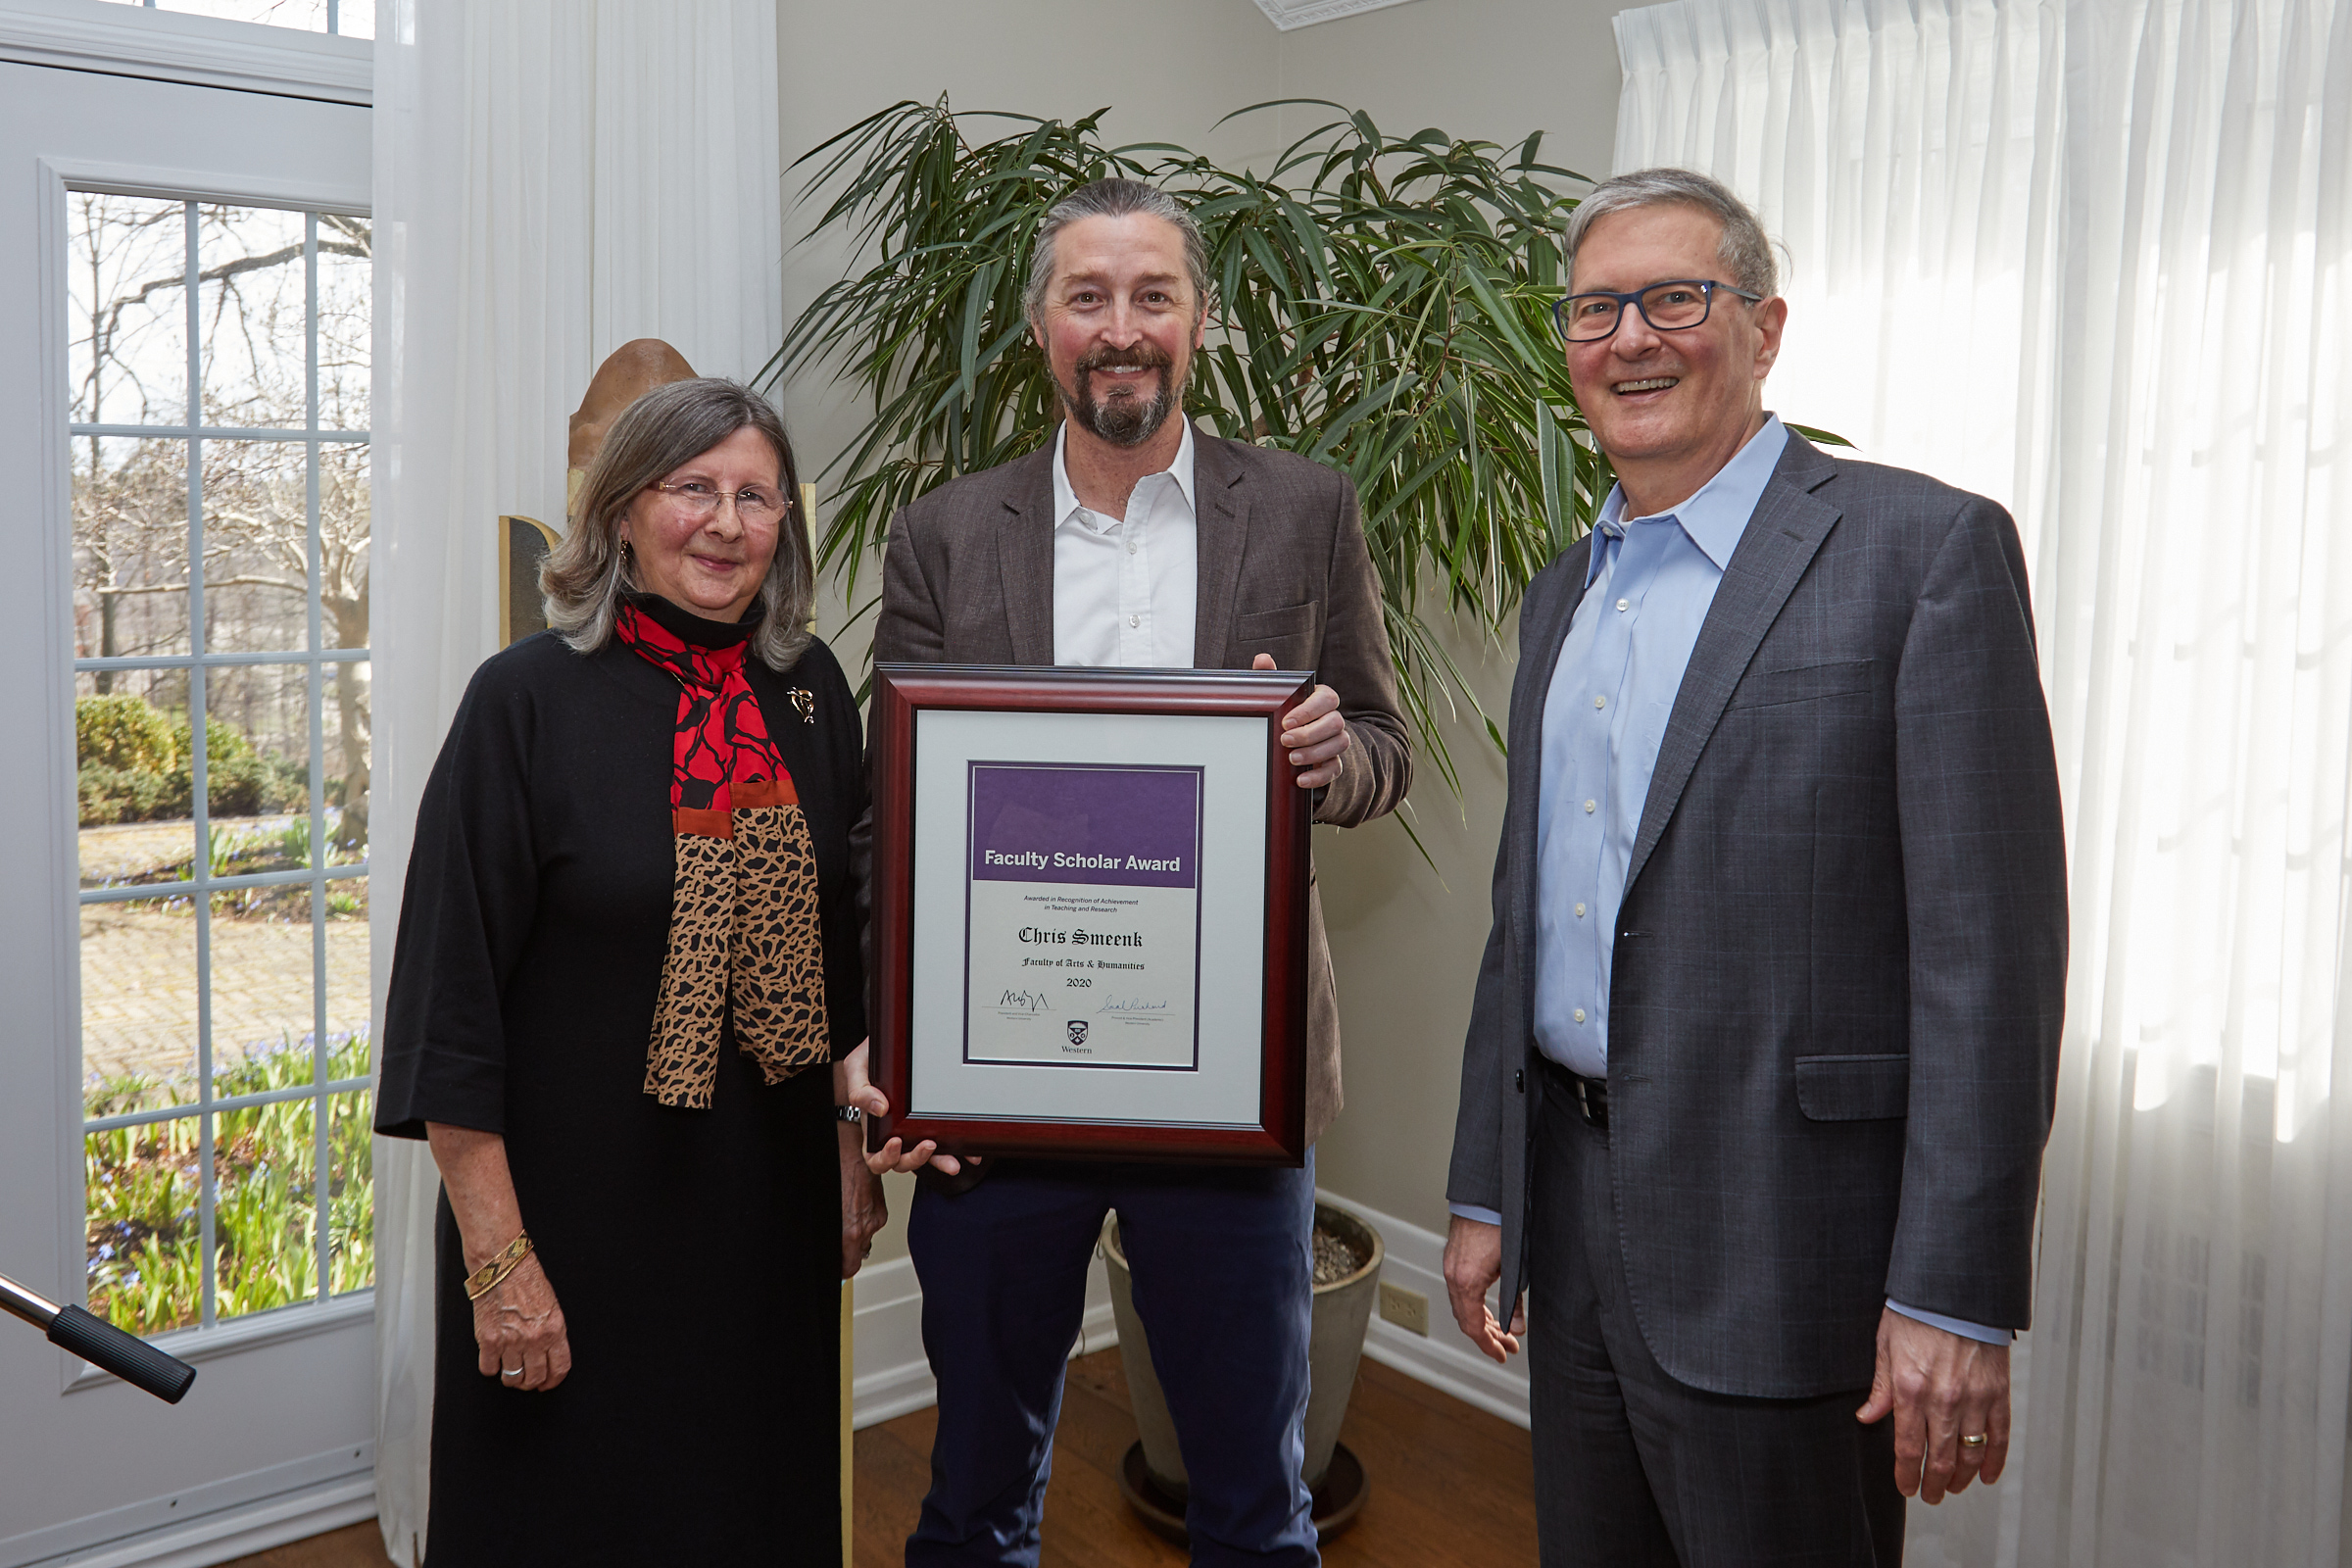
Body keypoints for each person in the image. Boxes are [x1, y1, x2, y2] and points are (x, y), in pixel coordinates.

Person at [1442, 169, 2068, 1566]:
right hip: (1575, 1226)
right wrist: (1489, 1191)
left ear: (1765, 327)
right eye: (1597, 309)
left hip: (1790, 1253)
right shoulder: (1566, 591)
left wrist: (1955, 1297)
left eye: (1678, 298)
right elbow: (1527, 920)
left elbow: (1990, 960)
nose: (1634, 338)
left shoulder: (1922, 555)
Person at [868, 176, 1410, 1567]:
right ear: (1042, 327)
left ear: (1200, 321)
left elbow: (1385, 748)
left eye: (1152, 295)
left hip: (1229, 1089)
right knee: (975, 1494)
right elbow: (895, 813)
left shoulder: (1302, 510)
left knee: (1250, 1500)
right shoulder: (941, 534)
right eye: (1089, 297)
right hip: (1001, 1099)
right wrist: (909, 1052)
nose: (1123, 328)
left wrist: (1328, 754)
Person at [375, 377, 941, 1566]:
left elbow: (835, 959)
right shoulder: (521, 702)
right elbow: (450, 1000)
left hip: (762, 1224)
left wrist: (846, 1153)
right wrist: (500, 1261)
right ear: (622, 511)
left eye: (754, 495)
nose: (725, 523)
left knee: (747, 1511)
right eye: (692, 490)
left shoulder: (809, 696)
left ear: (787, 521)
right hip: (568, 1226)